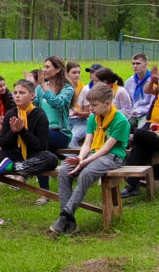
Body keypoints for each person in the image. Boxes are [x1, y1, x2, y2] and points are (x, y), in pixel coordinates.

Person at [0, 79, 56, 228]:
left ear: (32, 96)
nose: (17, 96)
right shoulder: (11, 114)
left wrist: (23, 131)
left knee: (51, 158)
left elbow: (41, 146)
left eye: (22, 93)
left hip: (32, 156)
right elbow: (4, 143)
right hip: (11, 155)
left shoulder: (39, 115)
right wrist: (14, 132)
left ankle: (16, 167)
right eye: (15, 93)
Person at [51, 83, 130, 235]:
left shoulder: (121, 121)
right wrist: (80, 158)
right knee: (64, 171)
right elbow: (87, 142)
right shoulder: (94, 118)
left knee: (87, 173)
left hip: (112, 157)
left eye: (94, 105)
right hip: (93, 154)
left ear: (107, 103)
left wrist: (84, 162)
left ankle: (65, 215)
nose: (90, 108)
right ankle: (69, 223)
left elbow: (107, 148)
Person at [32, 56, 74, 203]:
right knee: (40, 150)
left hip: (60, 133)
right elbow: (35, 106)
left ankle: (39, 187)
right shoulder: (39, 87)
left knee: (39, 143)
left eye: (48, 67)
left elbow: (58, 103)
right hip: (44, 133)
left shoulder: (67, 89)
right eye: (44, 66)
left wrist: (44, 87)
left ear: (57, 70)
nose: (44, 70)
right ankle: (45, 192)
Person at [123, 53, 152, 132]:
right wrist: (129, 111)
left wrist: (139, 111)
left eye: (138, 63)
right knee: (122, 127)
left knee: (141, 132)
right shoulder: (129, 81)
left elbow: (153, 104)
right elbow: (126, 101)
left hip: (146, 113)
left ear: (146, 64)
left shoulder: (152, 81)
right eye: (133, 63)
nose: (135, 66)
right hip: (132, 113)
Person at [67, 62, 89, 147]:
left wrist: (76, 113)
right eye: (74, 72)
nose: (77, 75)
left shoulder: (84, 90)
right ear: (66, 74)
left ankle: (69, 160)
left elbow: (87, 114)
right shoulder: (63, 89)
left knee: (72, 137)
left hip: (81, 122)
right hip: (66, 122)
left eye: (78, 72)